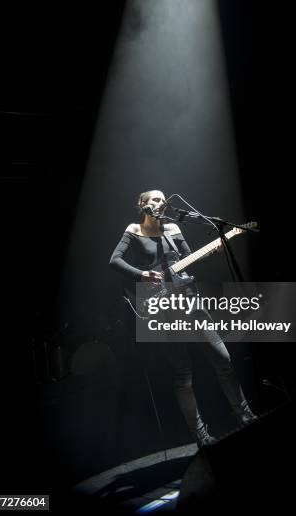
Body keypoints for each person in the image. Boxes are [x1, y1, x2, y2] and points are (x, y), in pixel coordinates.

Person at [109, 189, 257, 447]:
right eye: (155, 199)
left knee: (223, 359)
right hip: (162, 307)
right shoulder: (134, 229)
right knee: (182, 374)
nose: (161, 202)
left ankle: (245, 415)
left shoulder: (173, 229)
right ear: (142, 205)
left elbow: (189, 259)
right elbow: (115, 261)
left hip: (190, 302)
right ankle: (200, 436)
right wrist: (142, 275)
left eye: (163, 199)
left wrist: (215, 248)